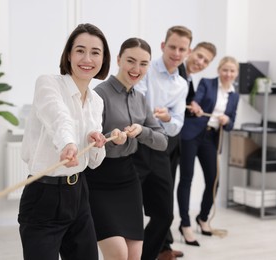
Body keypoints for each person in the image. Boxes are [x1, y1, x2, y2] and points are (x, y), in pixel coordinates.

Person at [18, 23, 111, 260]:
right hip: (43, 195)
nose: (87, 58)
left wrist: (97, 143)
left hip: (78, 193)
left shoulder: (97, 100)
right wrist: (68, 144)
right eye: (80, 50)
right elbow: (58, 118)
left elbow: (93, 162)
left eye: (95, 52)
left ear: (103, 59)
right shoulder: (48, 83)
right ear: (68, 55)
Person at [84, 37, 168, 260]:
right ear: (119, 59)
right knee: (119, 254)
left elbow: (162, 141)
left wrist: (142, 132)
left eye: (143, 63)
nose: (136, 69)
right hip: (99, 180)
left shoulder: (141, 99)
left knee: (134, 254)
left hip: (128, 181)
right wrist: (110, 138)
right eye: (131, 61)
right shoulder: (99, 94)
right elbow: (87, 141)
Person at [134, 25, 192, 260]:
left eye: (182, 49)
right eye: (172, 47)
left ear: (187, 52)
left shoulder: (182, 85)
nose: (176, 53)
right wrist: (161, 116)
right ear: (163, 46)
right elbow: (137, 103)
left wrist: (167, 117)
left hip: (160, 149)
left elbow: (177, 123)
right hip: (135, 147)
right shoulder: (146, 69)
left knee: (165, 214)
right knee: (131, 211)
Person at [177, 56, 240, 242]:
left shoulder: (235, 96)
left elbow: (231, 123)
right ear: (219, 70)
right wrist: (195, 106)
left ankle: (203, 218)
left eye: (232, 71)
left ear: (236, 74)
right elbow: (196, 101)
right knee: (186, 178)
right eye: (225, 70)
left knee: (214, 181)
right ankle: (185, 224)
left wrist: (227, 120)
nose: (228, 74)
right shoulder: (207, 83)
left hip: (211, 138)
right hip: (191, 135)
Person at [162, 42, 217, 249]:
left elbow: (183, 102)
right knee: (164, 191)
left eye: (206, 61)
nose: (201, 62)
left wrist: (193, 105)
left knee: (167, 190)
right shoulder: (176, 73)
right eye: (200, 56)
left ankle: (164, 243)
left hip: (175, 138)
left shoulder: (188, 78)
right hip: (164, 139)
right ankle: (163, 243)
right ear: (191, 52)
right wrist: (189, 106)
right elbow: (167, 102)